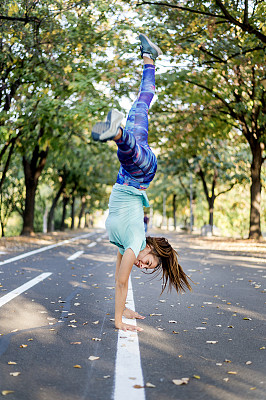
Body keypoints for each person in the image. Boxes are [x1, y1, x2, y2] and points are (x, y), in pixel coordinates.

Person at [92, 33, 192, 332]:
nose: (141, 265)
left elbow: (117, 279)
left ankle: (149, 58)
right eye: (148, 263)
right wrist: (118, 320)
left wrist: (126, 309)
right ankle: (118, 133)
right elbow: (123, 282)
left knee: (142, 103)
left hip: (131, 177)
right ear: (151, 249)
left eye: (144, 267)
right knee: (130, 154)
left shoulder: (124, 245)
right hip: (139, 175)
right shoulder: (135, 242)